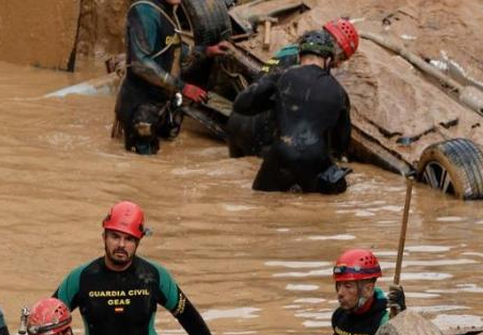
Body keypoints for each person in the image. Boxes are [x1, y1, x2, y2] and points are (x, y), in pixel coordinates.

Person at [54, 201, 246, 335]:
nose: (121, 245)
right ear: (104, 236)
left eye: (129, 239)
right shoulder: (81, 278)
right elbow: (48, 321)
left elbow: (187, 315)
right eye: (115, 236)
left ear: (139, 241)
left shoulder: (154, 276)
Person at [230, 29, 353, 194]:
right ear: (328, 60)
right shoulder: (340, 93)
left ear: (299, 56)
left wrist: (272, 102)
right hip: (316, 160)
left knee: (261, 199)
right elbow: (341, 145)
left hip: (280, 156)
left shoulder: (282, 77)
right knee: (336, 192)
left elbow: (241, 105)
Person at [226, 19, 359, 158]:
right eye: (341, 57)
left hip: (237, 119)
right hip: (260, 129)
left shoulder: (292, 51)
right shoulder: (312, 69)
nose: (338, 65)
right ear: (333, 48)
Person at [116, 0, 233, 155]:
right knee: (143, 164)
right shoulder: (144, 11)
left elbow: (172, 49)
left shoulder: (167, 10)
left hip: (162, 100)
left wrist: (207, 50)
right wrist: (183, 87)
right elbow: (141, 65)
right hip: (141, 107)